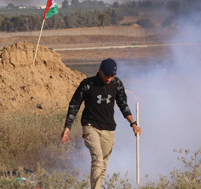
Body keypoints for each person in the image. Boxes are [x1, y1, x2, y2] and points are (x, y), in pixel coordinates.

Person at [60, 58, 142, 189]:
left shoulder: (117, 84)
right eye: (107, 75)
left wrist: (133, 124)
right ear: (100, 71)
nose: (109, 78)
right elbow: (74, 105)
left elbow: (123, 105)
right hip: (90, 126)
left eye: (112, 75)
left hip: (108, 129)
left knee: (103, 164)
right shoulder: (87, 84)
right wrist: (67, 128)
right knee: (98, 160)